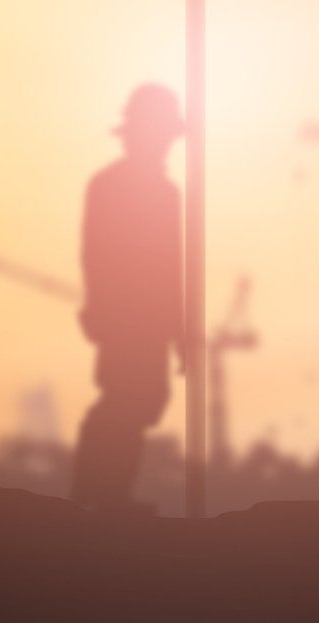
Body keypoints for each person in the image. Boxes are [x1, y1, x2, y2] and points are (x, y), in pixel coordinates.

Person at [71, 82, 186, 510]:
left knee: (144, 400)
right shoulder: (111, 186)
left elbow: (173, 267)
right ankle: (99, 497)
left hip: (151, 321)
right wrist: (102, 309)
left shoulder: (167, 194)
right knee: (127, 398)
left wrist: (179, 331)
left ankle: (108, 495)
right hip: (125, 319)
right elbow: (97, 253)